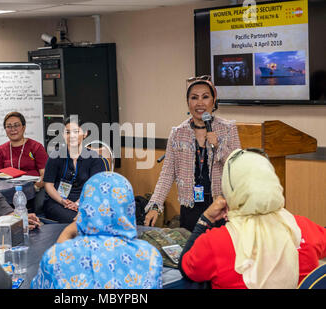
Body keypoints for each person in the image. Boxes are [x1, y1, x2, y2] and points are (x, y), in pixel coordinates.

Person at [179, 149, 326, 289]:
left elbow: (186, 268)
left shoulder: (214, 243)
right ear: (273, 184)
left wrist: (206, 219)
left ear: (230, 191)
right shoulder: (303, 227)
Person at [31, 172, 163, 289]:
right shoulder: (150, 256)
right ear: (128, 207)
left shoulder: (57, 256)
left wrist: (68, 231)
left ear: (85, 204)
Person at [144, 75, 241, 231]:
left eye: (205, 97)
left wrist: (218, 145)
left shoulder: (228, 129)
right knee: (192, 252)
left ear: (214, 101)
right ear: (188, 102)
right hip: (190, 208)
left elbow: (238, 167)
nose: (200, 103)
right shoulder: (177, 133)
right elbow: (167, 173)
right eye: (194, 98)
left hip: (221, 208)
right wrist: (155, 204)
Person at [43, 116, 110, 223]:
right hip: (57, 202)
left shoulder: (95, 158)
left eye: (76, 132)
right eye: (68, 132)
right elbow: (48, 184)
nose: (72, 136)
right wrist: (63, 201)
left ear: (85, 133)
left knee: (94, 217)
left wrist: (78, 203)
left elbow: (94, 187)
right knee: (77, 220)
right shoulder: (55, 156)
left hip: (87, 201)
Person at [0, 111, 48, 213]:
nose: (13, 129)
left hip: (33, 190)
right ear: (5, 129)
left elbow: (45, 174)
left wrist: (35, 187)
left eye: (16, 125)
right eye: (9, 126)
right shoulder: (0, 150)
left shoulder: (36, 147)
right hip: (7, 193)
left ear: (24, 127)